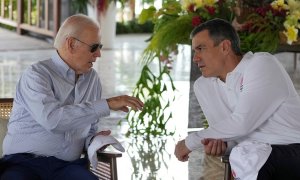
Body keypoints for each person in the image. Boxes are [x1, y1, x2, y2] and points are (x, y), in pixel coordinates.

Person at [0, 14, 143, 180]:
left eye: (100, 46)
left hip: (66, 167)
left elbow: (89, 129)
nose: (99, 54)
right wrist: (108, 104)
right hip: (23, 164)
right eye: (94, 47)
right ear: (71, 44)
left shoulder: (92, 80)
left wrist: (94, 141)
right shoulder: (36, 75)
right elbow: (53, 120)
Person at [174, 18, 300, 180]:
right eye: (194, 51)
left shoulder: (261, 64)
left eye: (201, 49)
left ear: (225, 47)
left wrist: (190, 142)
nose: (195, 58)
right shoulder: (203, 86)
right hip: (251, 154)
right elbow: (227, 134)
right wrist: (222, 146)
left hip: (293, 149)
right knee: (244, 154)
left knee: (247, 155)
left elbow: (242, 123)